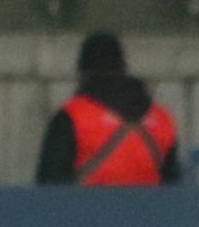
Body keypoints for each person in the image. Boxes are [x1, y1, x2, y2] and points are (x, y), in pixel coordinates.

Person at [36, 30, 180, 185]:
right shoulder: (162, 119)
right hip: (152, 209)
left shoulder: (72, 117)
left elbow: (48, 185)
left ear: (83, 70)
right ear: (124, 66)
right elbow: (173, 184)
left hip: (87, 208)